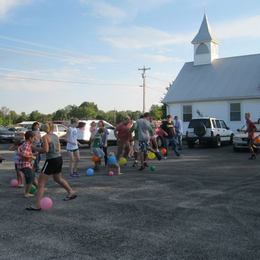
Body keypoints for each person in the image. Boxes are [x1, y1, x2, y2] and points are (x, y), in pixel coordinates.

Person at [26, 123, 77, 211]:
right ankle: (71, 192)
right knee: (57, 178)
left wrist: (34, 148)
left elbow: (45, 150)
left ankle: (37, 205)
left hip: (51, 161)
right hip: (58, 158)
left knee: (41, 184)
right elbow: (59, 148)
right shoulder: (55, 136)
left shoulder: (45, 137)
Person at [17, 131, 37, 198]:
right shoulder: (27, 145)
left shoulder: (26, 144)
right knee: (30, 178)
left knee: (33, 176)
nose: (35, 139)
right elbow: (23, 155)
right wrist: (32, 157)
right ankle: (26, 193)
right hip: (24, 165)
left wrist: (33, 154)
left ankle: (40, 188)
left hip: (25, 164)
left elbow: (23, 153)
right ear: (30, 138)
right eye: (34, 138)